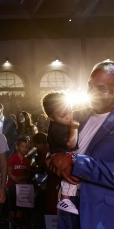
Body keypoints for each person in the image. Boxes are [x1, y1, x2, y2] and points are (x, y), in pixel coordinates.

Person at [46, 60, 114, 229]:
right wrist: (52, 160)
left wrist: (75, 161)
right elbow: (54, 149)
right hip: (68, 209)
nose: (92, 92)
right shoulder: (77, 116)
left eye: (101, 88)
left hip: (100, 215)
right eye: (90, 85)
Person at [41, 91, 79, 215]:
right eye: (63, 116)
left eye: (70, 111)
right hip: (63, 158)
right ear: (51, 118)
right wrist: (73, 129)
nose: (69, 117)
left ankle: (65, 199)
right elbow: (71, 144)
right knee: (69, 177)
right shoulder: (58, 129)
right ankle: (65, 199)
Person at [7, 138, 31, 218]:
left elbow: (28, 174)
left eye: (26, 147)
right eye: (22, 146)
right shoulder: (12, 158)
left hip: (22, 187)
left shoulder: (27, 161)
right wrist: (15, 179)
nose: (25, 149)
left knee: (20, 208)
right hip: (12, 186)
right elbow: (9, 171)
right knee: (12, 208)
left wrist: (22, 178)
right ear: (17, 147)